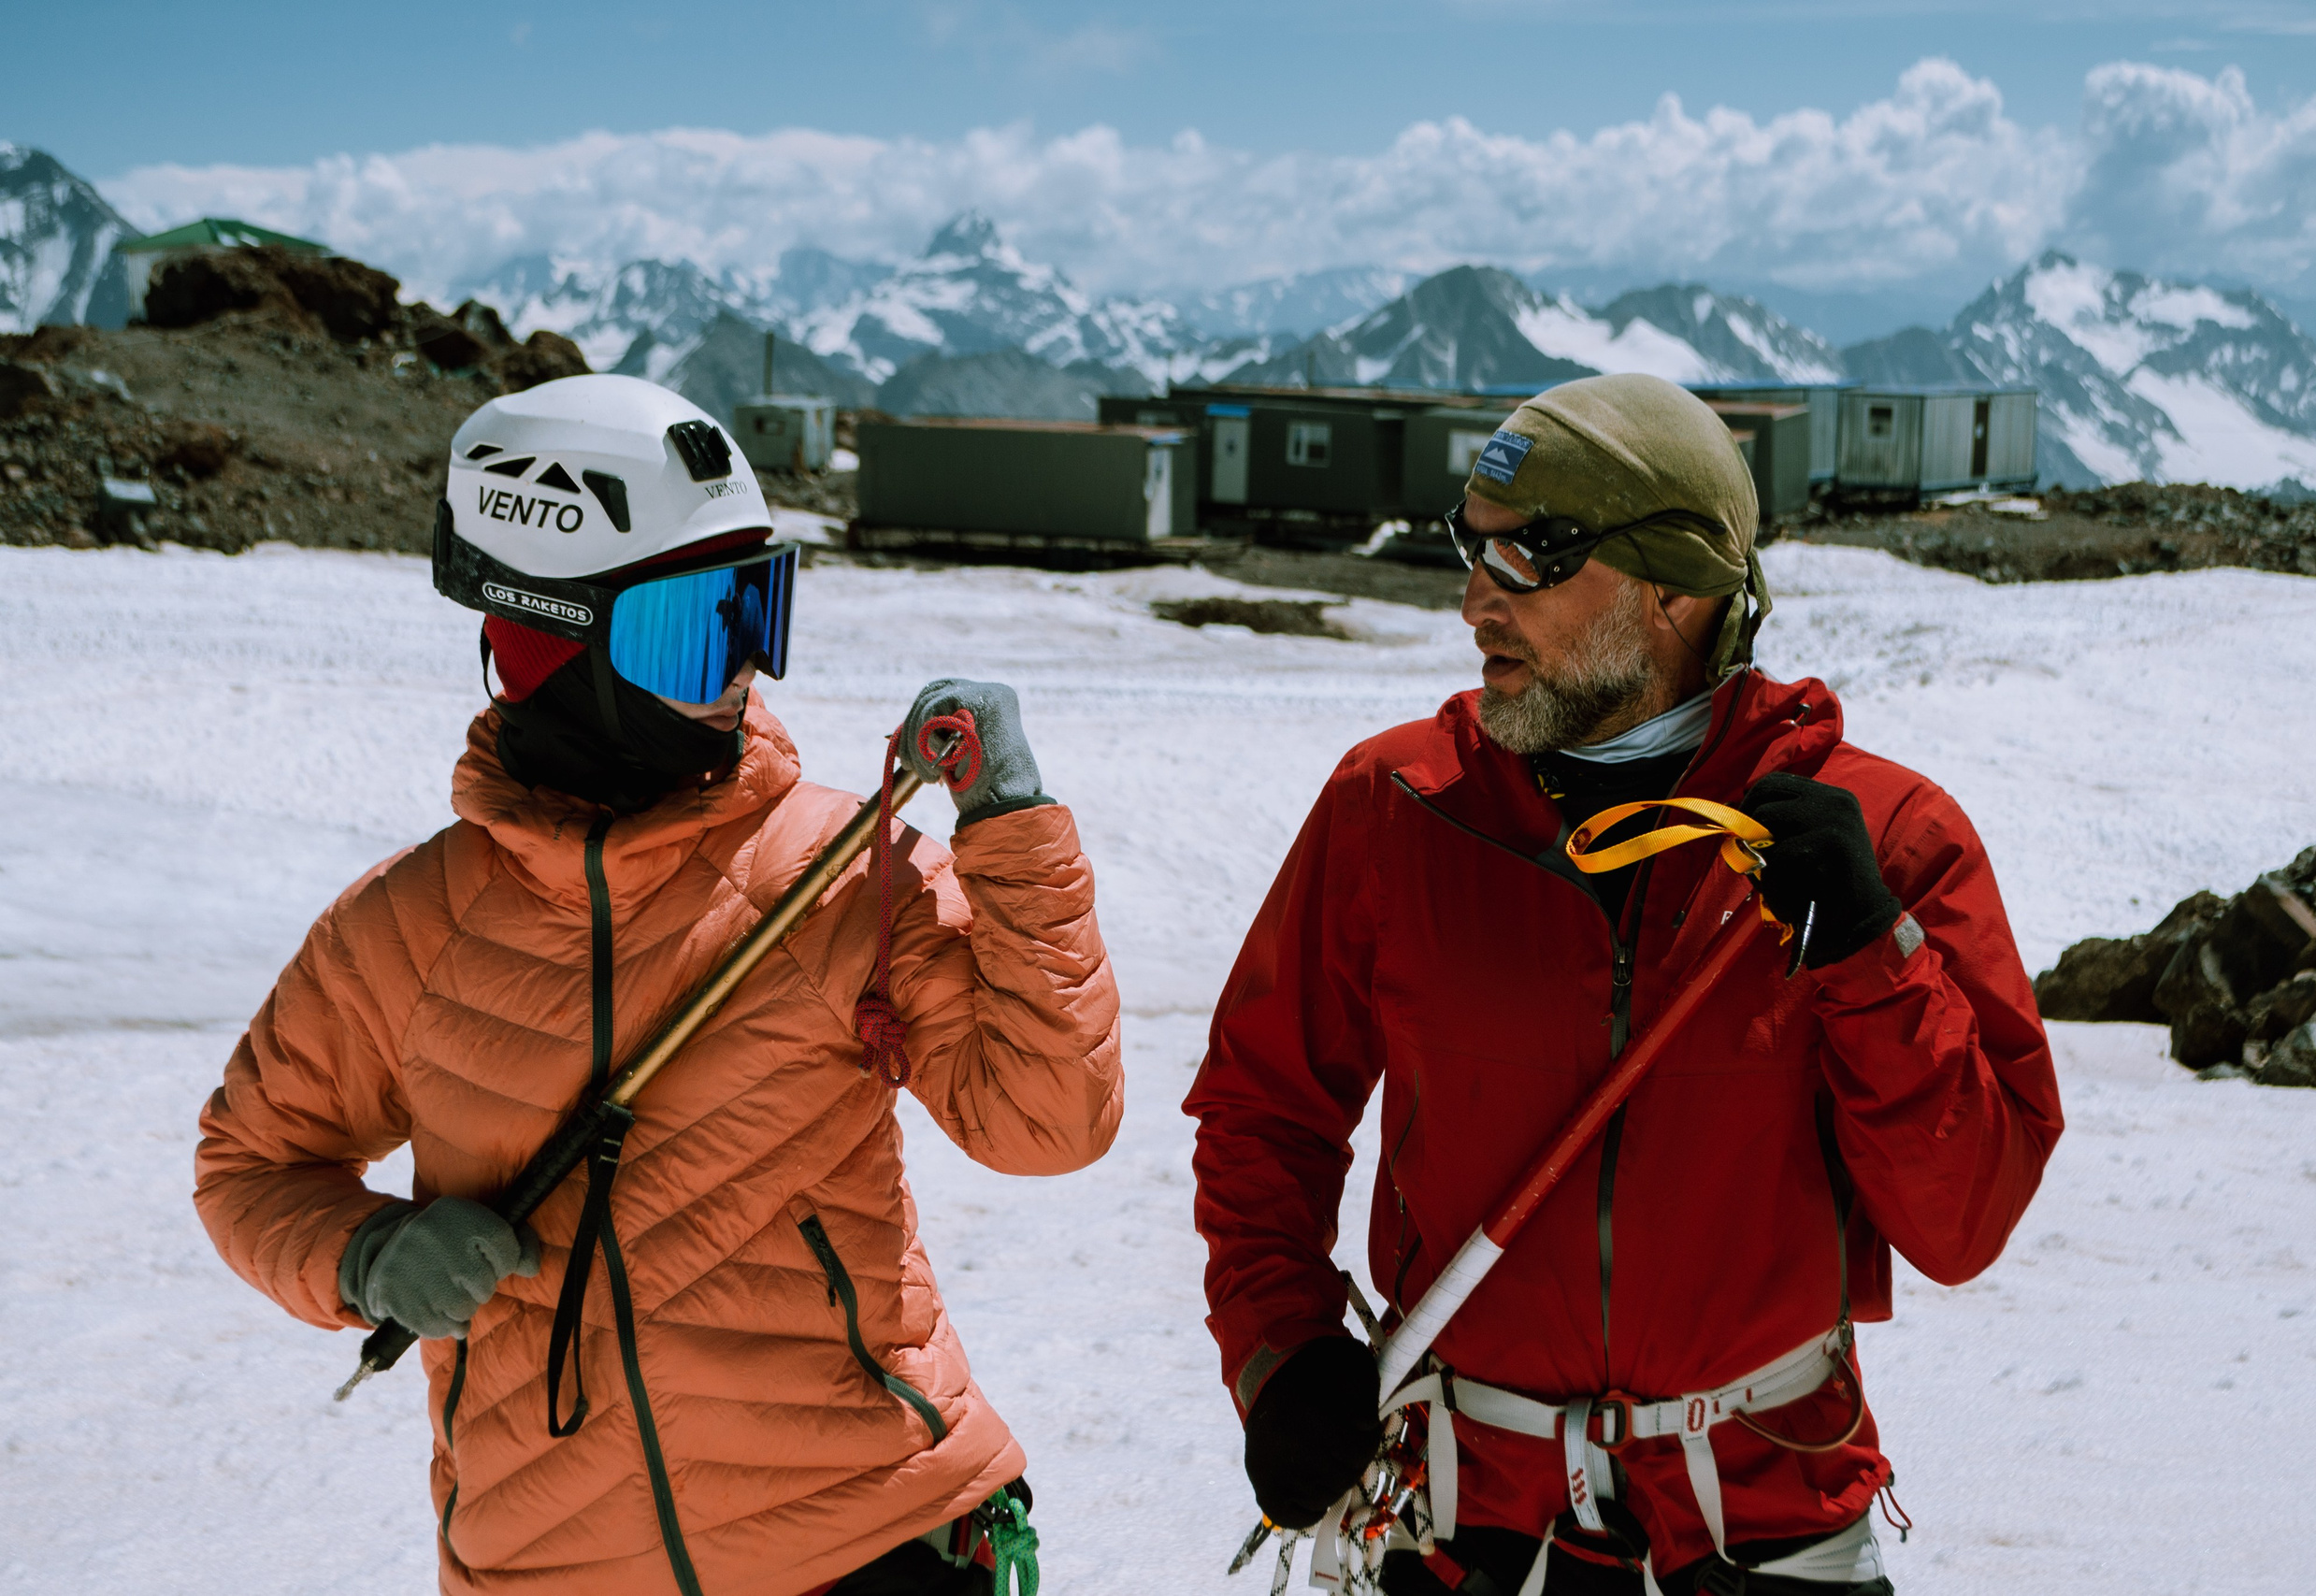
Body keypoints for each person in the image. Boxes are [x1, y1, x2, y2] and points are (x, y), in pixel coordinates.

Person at [194, 374, 1123, 1596]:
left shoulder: (842, 873)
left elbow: (1050, 1122)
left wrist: (1012, 830)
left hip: (873, 1538)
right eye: (700, 628)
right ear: (554, 646)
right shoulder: (406, 932)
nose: (745, 670)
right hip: (553, 1564)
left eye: (759, 612)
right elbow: (251, 1170)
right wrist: (368, 1255)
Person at [1186, 375, 2063, 1596]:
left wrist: (1872, 956)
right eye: (1470, 547)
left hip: (1762, 1523)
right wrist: (1277, 1355)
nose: (1475, 598)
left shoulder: (1885, 842)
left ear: (1677, 588)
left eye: (1533, 555)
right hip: (1463, 1524)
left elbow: (1963, 1222)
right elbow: (1261, 1113)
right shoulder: (1393, 809)